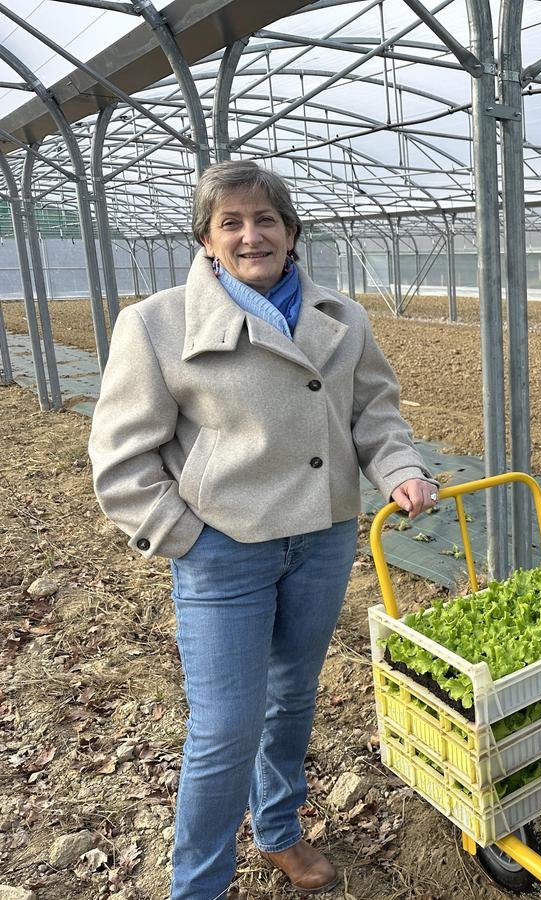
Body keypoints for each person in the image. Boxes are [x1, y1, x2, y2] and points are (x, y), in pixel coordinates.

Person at [88, 160, 438, 898]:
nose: (252, 235)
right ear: (207, 241)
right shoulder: (156, 325)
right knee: (224, 731)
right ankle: (201, 886)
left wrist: (398, 467)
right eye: (232, 223)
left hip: (322, 537)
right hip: (223, 550)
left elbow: (374, 410)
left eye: (266, 219)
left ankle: (277, 829)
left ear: (292, 232)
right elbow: (120, 458)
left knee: (293, 699)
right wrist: (184, 537)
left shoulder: (341, 316)